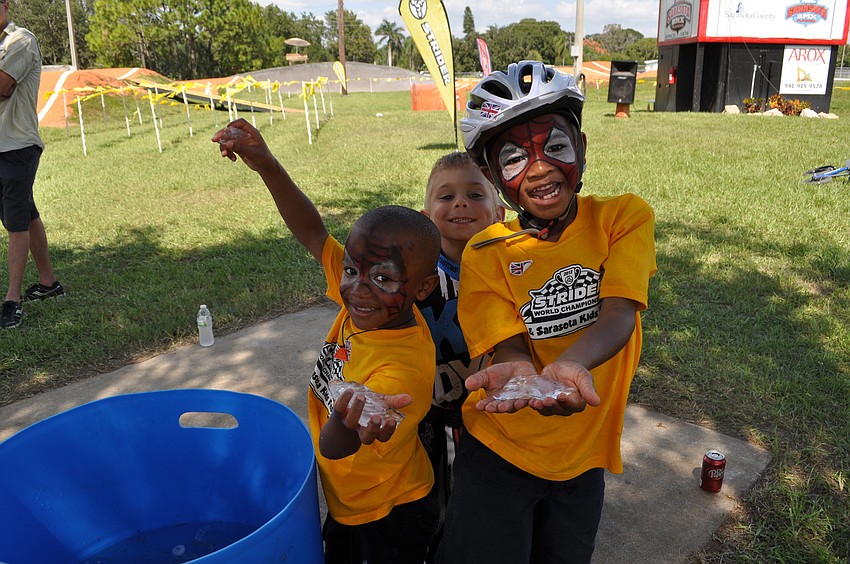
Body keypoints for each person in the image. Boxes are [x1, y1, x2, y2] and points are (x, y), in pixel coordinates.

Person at [436, 61, 657, 564]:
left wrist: (569, 366)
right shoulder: (486, 252)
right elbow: (507, 343)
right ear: (493, 176)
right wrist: (523, 377)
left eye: (554, 147)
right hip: (499, 449)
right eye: (514, 159)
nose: (538, 168)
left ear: (582, 148)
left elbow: (620, 311)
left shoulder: (623, 218)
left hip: (583, 457)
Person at [212, 118, 441, 564]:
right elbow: (313, 233)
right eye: (352, 270)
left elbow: (336, 446)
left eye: (382, 278)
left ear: (423, 288)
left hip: (387, 513)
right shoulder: (373, 304)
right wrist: (268, 167)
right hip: (350, 500)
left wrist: (346, 419)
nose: (356, 289)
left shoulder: (402, 369)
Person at [415, 151, 503, 562]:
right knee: (435, 506)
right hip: (432, 415)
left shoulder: (515, 268)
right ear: (424, 215)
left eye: (474, 194)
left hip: (494, 417)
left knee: (484, 507)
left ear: (500, 211)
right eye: (446, 196)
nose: (460, 203)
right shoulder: (415, 274)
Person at [0, 0, 64, 329]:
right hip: (3, 146)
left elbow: (2, 86)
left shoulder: (19, 40)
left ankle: (12, 300)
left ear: (6, 5)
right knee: (25, 211)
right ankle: (49, 283)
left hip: (17, 146)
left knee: (15, 223)